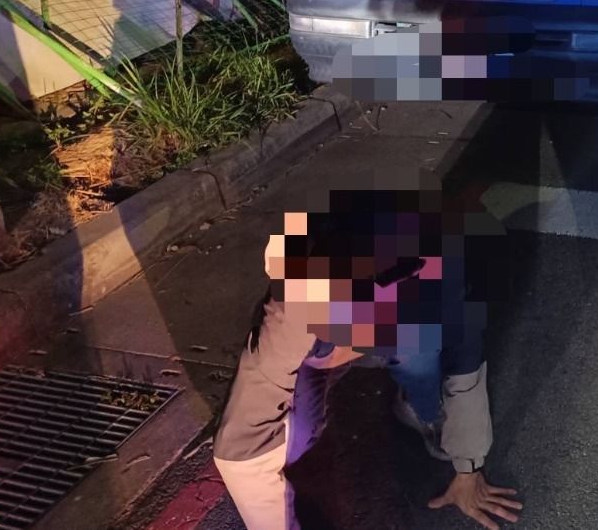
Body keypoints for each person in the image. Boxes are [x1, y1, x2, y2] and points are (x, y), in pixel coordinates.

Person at [212, 185, 521, 530]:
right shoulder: (296, 304)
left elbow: (465, 365)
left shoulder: (442, 272)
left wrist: (468, 469)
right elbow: (240, 449)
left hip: (400, 306)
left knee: (424, 352)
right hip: (319, 340)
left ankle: (418, 404)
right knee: (293, 441)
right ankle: (335, 368)